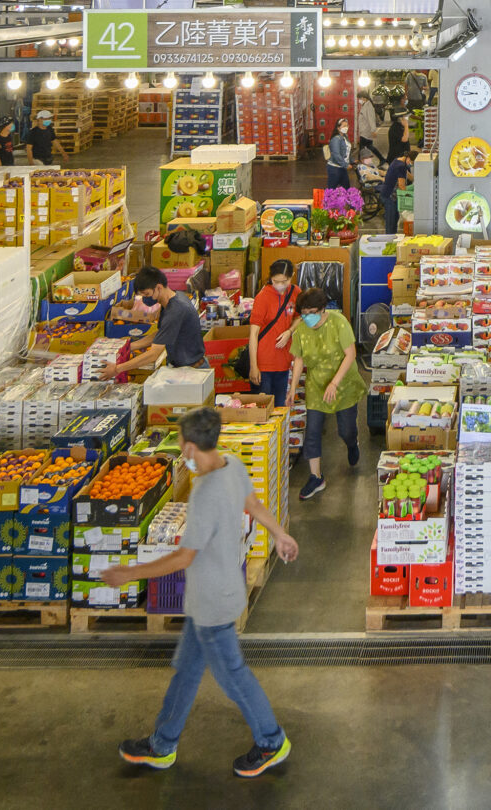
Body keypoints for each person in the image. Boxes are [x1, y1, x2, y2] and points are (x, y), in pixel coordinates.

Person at [105, 406, 299, 778]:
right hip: (211, 595)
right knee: (187, 671)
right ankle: (162, 745)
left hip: (213, 603)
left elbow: (182, 557)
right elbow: (254, 504)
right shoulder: (233, 467)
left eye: (180, 442)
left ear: (191, 447)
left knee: (232, 676)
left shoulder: (206, 493)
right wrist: (280, 533)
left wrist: (131, 573)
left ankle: (272, 741)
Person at [285, 285, 364, 499]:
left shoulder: (339, 323)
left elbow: (350, 355)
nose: (307, 318)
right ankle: (316, 477)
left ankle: (352, 442)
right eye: (304, 314)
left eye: (312, 313)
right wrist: (293, 388)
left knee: (345, 429)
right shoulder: (302, 329)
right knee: (312, 432)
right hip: (316, 385)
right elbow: (299, 359)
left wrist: (335, 383)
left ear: (322, 309)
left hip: (343, 383)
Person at [114, 267, 207, 376]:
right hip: (183, 368)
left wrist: (117, 369)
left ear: (158, 287)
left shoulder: (175, 311)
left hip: (193, 372)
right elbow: (162, 333)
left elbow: (153, 354)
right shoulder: (173, 298)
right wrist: (130, 347)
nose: (145, 299)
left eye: (147, 294)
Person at [247, 260, 299, 406]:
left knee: (280, 408)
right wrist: (254, 366)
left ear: (292, 276)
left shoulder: (295, 292)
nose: (281, 285)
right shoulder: (263, 297)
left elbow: (299, 317)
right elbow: (253, 334)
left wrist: (290, 331)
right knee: (264, 408)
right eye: (276, 281)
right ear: (271, 278)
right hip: (263, 364)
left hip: (283, 362)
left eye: (285, 281)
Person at [382, 149, 413, 235]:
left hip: (389, 195)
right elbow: (402, 186)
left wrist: (415, 180)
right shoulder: (401, 166)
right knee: (391, 224)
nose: (411, 165)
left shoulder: (398, 160)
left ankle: (392, 239)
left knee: (394, 221)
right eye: (412, 163)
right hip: (390, 197)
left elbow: (407, 174)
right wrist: (411, 194)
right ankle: (389, 243)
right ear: (408, 158)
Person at [324, 120, 353, 190]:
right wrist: (346, 165)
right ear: (338, 128)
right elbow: (336, 155)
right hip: (335, 168)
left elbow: (346, 152)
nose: (346, 127)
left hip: (342, 168)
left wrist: (352, 160)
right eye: (344, 126)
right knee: (331, 190)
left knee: (347, 189)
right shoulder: (336, 139)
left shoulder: (345, 137)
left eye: (347, 126)